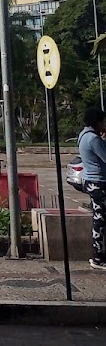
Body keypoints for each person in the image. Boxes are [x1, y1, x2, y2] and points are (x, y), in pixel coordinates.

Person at [78, 106, 106, 269]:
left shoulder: (84, 135)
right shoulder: (93, 139)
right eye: (102, 121)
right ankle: (97, 256)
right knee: (99, 218)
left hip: (91, 180)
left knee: (99, 216)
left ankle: (98, 253)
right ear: (96, 122)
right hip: (98, 182)